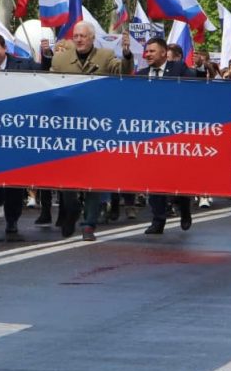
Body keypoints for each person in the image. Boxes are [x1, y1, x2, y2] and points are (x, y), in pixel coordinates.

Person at [48, 21, 134, 241]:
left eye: (83, 36)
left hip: (96, 127)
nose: (78, 39)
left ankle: (89, 224)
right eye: (76, 36)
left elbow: (123, 72)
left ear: (92, 37)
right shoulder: (60, 59)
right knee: (66, 180)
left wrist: (126, 55)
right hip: (67, 128)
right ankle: (72, 209)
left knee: (93, 179)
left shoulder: (105, 56)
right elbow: (48, 87)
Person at [0, 33, 43, 237]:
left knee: (13, 182)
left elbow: (47, 73)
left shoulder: (24, 65)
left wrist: (47, 56)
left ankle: (12, 220)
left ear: (4, 49)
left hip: (15, 135)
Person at [136, 37, 195, 234]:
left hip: (176, 134)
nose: (148, 54)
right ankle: (158, 220)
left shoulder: (179, 69)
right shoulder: (141, 75)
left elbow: (194, 90)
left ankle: (184, 207)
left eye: (152, 51)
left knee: (179, 176)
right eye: (147, 51)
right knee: (153, 179)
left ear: (163, 53)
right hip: (150, 135)